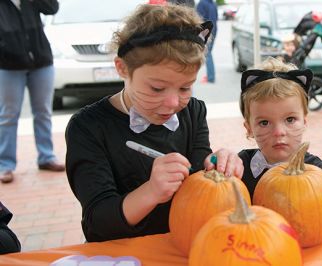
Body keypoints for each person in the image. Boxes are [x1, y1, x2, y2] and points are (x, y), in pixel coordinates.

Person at [65, 4, 243, 242]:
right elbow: (98, 222)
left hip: (183, 242)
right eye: (157, 88)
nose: (172, 103)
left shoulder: (193, 111)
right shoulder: (87, 128)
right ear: (122, 68)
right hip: (122, 252)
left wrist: (216, 162)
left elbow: (199, 168)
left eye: (185, 87)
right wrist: (151, 191)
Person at [238, 57, 322, 241]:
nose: (279, 132)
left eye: (290, 120)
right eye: (264, 122)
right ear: (249, 128)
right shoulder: (239, 170)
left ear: (304, 121)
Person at [0, 0, 65, 184]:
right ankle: (5, 165)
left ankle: (46, 157)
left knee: (43, 112)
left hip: (41, 63)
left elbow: (52, 8)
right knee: (8, 115)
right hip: (8, 66)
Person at [196, 0, 218, 83]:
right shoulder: (213, 3)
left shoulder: (201, 3)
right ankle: (210, 76)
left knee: (207, 54)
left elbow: (198, 20)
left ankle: (210, 77)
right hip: (214, 30)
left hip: (206, 32)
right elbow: (216, 18)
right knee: (209, 53)